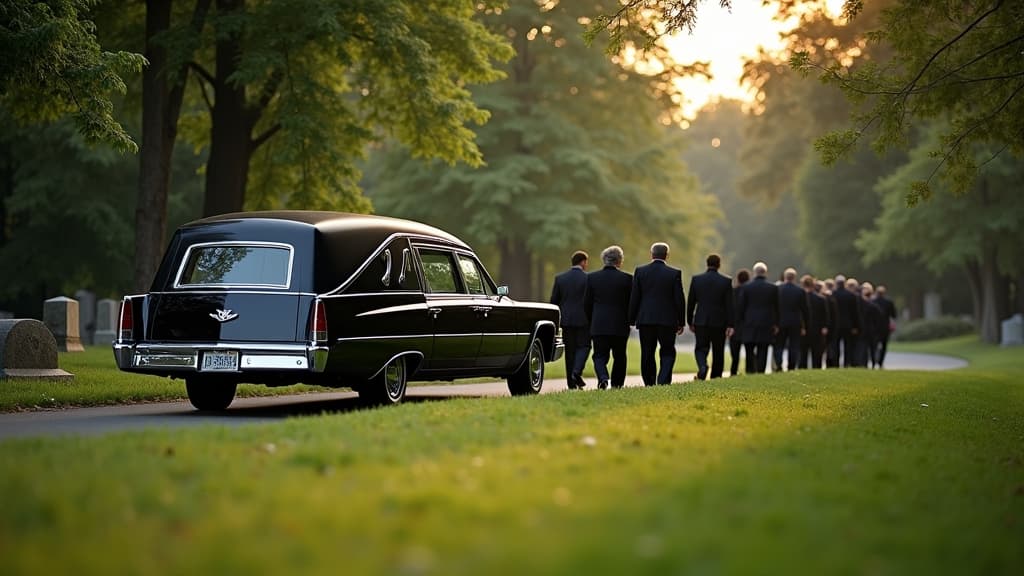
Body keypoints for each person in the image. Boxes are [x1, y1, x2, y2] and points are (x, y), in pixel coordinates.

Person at [628, 242, 685, 386]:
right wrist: (681, 321)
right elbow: (679, 299)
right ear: (667, 255)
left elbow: (635, 297)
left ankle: (649, 383)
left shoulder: (640, 271)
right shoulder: (674, 273)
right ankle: (663, 380)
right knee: (667, 351)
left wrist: (631, 319)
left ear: (651, 254)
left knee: (647, 352)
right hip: (667, 320)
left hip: (646, 319)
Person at [585, 246, 632, 389]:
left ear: (604, 260)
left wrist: (591, 320)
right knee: (620, 356)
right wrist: (631, 319)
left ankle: (603, 378)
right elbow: (631, 303)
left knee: (599, 355)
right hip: (620, 324)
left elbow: (587, 303)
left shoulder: (592, 278)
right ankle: (617, 385)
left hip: (599, 324)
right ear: (619, 261)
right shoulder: (627, 279)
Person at [686, 253, 734, 380]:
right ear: (719, 265)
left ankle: (702, 366)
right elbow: (729, 305)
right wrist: (730, 324)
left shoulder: (697, 280)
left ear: (707, 264)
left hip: (701, 320)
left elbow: (691, 302)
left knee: (701, 348)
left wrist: (690, 321)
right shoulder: (726, 281)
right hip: (719, 321)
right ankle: (716, 376)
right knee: (718, 351)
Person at [550, 250, 590, 389]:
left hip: (566, 320)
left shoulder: (560, 278)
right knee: (584, 346)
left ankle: (571, 383)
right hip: (584, 319)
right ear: (583, 262)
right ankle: (576, 371)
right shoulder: (588, 278)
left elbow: (554, 301)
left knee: (570, 351)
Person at [736, 262, 779, 374]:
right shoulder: (772, 288)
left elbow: (741, 307)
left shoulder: (746, 287)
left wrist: (740, 321)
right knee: (763, 348)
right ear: (765, 273)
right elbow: (776, 307)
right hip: (766, 321)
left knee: (749, 348)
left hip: (749, 321)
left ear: (754, 272)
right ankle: (760, 370)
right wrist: (776, 323)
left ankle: (750, 370)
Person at [777, 267, 809, 371]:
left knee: (779, 344)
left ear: (785, 277)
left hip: (780, 321)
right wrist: (805, 326)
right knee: (794, 345)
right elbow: (805, 310)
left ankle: (779, 364)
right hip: (795, 321)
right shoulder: (800, 291)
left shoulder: (778, 289)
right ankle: (791, 366)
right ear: (794, 277)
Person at [800, 275, 830, 369]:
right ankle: (817, 367)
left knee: (803, 352)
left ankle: (802, 368)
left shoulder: (800, 297)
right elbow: (825, 314)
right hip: (817, 328)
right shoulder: (821, 299)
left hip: (804, 328)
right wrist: (824, 326)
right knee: (817, 352)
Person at [832, 274, 862, 368]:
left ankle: (835, 363)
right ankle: (846, 363)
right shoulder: (851, 295)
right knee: (847, 345)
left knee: (835, 345)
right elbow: (855, 312)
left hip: (835, 324)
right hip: (848, 324)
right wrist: (856, 326)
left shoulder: (832, 294)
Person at [729, 268, 751, 376]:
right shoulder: (750, 292)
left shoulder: (733, 291)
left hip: (735, 325)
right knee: (749, 351)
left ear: (738, 279)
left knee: (735, 354)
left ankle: (733, 371)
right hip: (748, 326)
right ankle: (749, 371)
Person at [873, 284, 897, 368]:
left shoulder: (873, 301)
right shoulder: (889, 302)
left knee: (874, 345)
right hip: (885, 327)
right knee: (884, 345)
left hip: (875, 327)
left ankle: (874, 359)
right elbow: (894, 315)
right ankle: (880, 362)